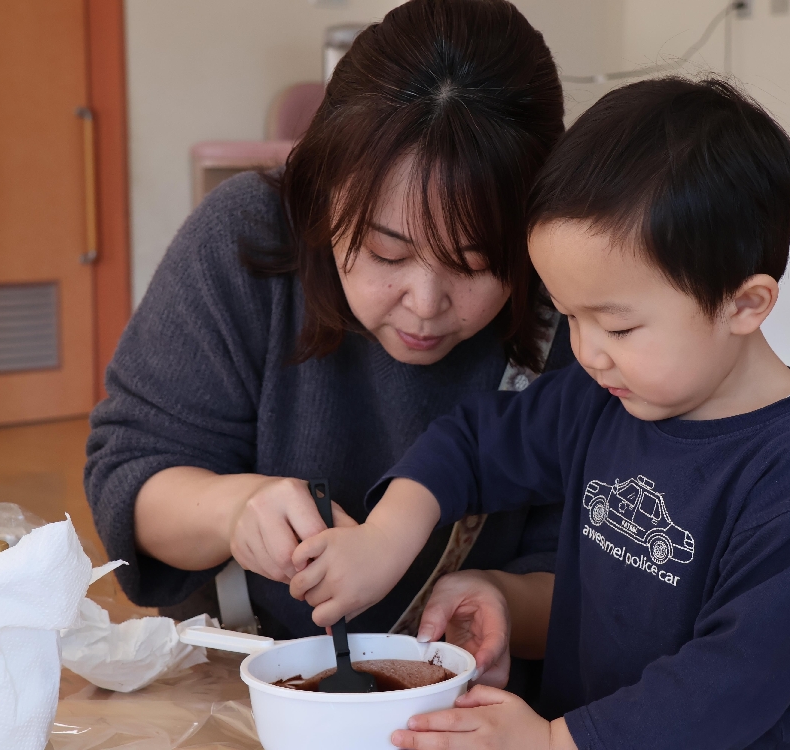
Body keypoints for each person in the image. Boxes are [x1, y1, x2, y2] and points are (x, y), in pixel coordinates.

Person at [289, 77, 790, 750]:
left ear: (744, 305)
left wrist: (553, 742)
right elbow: (474, 441)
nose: (588, 353)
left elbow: (729, 685)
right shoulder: (605, 396)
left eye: (619, 327)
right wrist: (387, 535)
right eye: (570, 317)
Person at [84, 0, 572, 693]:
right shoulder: (247, 241)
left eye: (474, 264)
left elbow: (593, 573)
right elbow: (130, 477)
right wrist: (233, 509)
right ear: (320, 196)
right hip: (243, 684)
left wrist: (498, 597)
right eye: (385, 252)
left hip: (474, 707)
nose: (426, 304)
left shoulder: (578, 299)